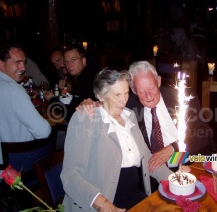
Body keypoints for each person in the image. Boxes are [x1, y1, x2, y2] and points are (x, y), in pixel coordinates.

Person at [77, 61, 215, 191]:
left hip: (191, 162)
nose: (148, 96)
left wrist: (173, 148)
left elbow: (205, 133)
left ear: (159, 81)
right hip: (157, 172)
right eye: (142, 91)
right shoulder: (128, 106)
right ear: (133, 90)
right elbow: (106, 101)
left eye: (151, 88)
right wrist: (89, 103)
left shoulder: (183, 96)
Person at [60, 68, 173, 212]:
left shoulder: (129, 116)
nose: (123, 100)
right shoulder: (85, 119)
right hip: (102, 202)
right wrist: (102, 204)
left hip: (134, 196)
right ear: (100, 96)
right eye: (117, 95)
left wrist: (174, 180)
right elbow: (70, 176)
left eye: (126, 93)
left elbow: (148, 157)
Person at [0, 40, 51, 166]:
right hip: (20, 169)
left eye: (24, 62)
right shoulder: (14, 90)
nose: (23, 68)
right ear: (0, 64)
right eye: (17, 62)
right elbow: (43, 132)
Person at [44, 44, 98, 121]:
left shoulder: (88, 79)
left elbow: (71, 115)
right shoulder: (85, 74)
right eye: (66, 61)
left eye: (73, 60)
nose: (69, 65)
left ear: (83, 60)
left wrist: (52, 99)